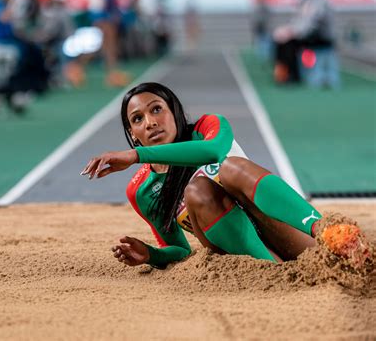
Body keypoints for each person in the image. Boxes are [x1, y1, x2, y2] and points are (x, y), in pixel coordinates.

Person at [82, 82, 370, 269]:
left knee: (230, 166)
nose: (151, 122)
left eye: (157, 109)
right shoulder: (141, 190)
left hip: (285, 231)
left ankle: (330, 232)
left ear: (174, 112)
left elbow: (214, 151)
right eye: (138, 119)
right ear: (132, 133)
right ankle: (273, 271)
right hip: (246, 260)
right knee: (196, 192)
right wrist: (151, 255)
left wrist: (135, 156)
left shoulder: (209, 127)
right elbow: (179, 251)